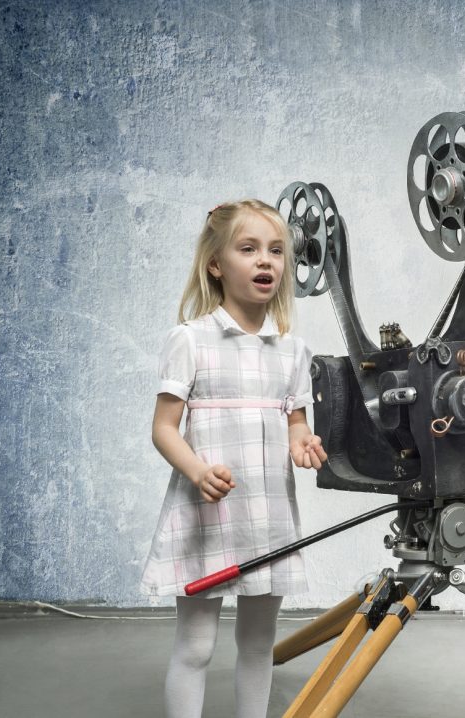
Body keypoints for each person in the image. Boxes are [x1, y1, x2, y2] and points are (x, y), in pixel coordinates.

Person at [140, 199, 328, 718]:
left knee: (256, 646)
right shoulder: (191, 339)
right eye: (248, 249)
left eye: (275, 251)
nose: (265, 261)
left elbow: (295, 420)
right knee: (197, 646)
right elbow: (163, 429)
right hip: (207, 515)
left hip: (266, 515)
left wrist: (301, 441)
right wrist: (198, 470)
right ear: (216, 264)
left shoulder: (293, 350)